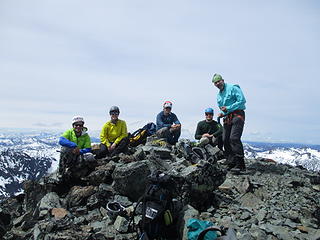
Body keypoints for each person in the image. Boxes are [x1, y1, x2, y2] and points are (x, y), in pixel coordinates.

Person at [212, 73, 246, 171]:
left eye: (219, 81)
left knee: (234, 138)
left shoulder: (233, 88)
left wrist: (228, 108)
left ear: (223, 80)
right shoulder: (219, 96)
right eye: (215, 83)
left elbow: (242, 101)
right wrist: (222, 113)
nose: (218, 83)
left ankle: (241, 165)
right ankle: (231, 161)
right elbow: (223, 109)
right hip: (227, 117)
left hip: (238, 115)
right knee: (225, 139)